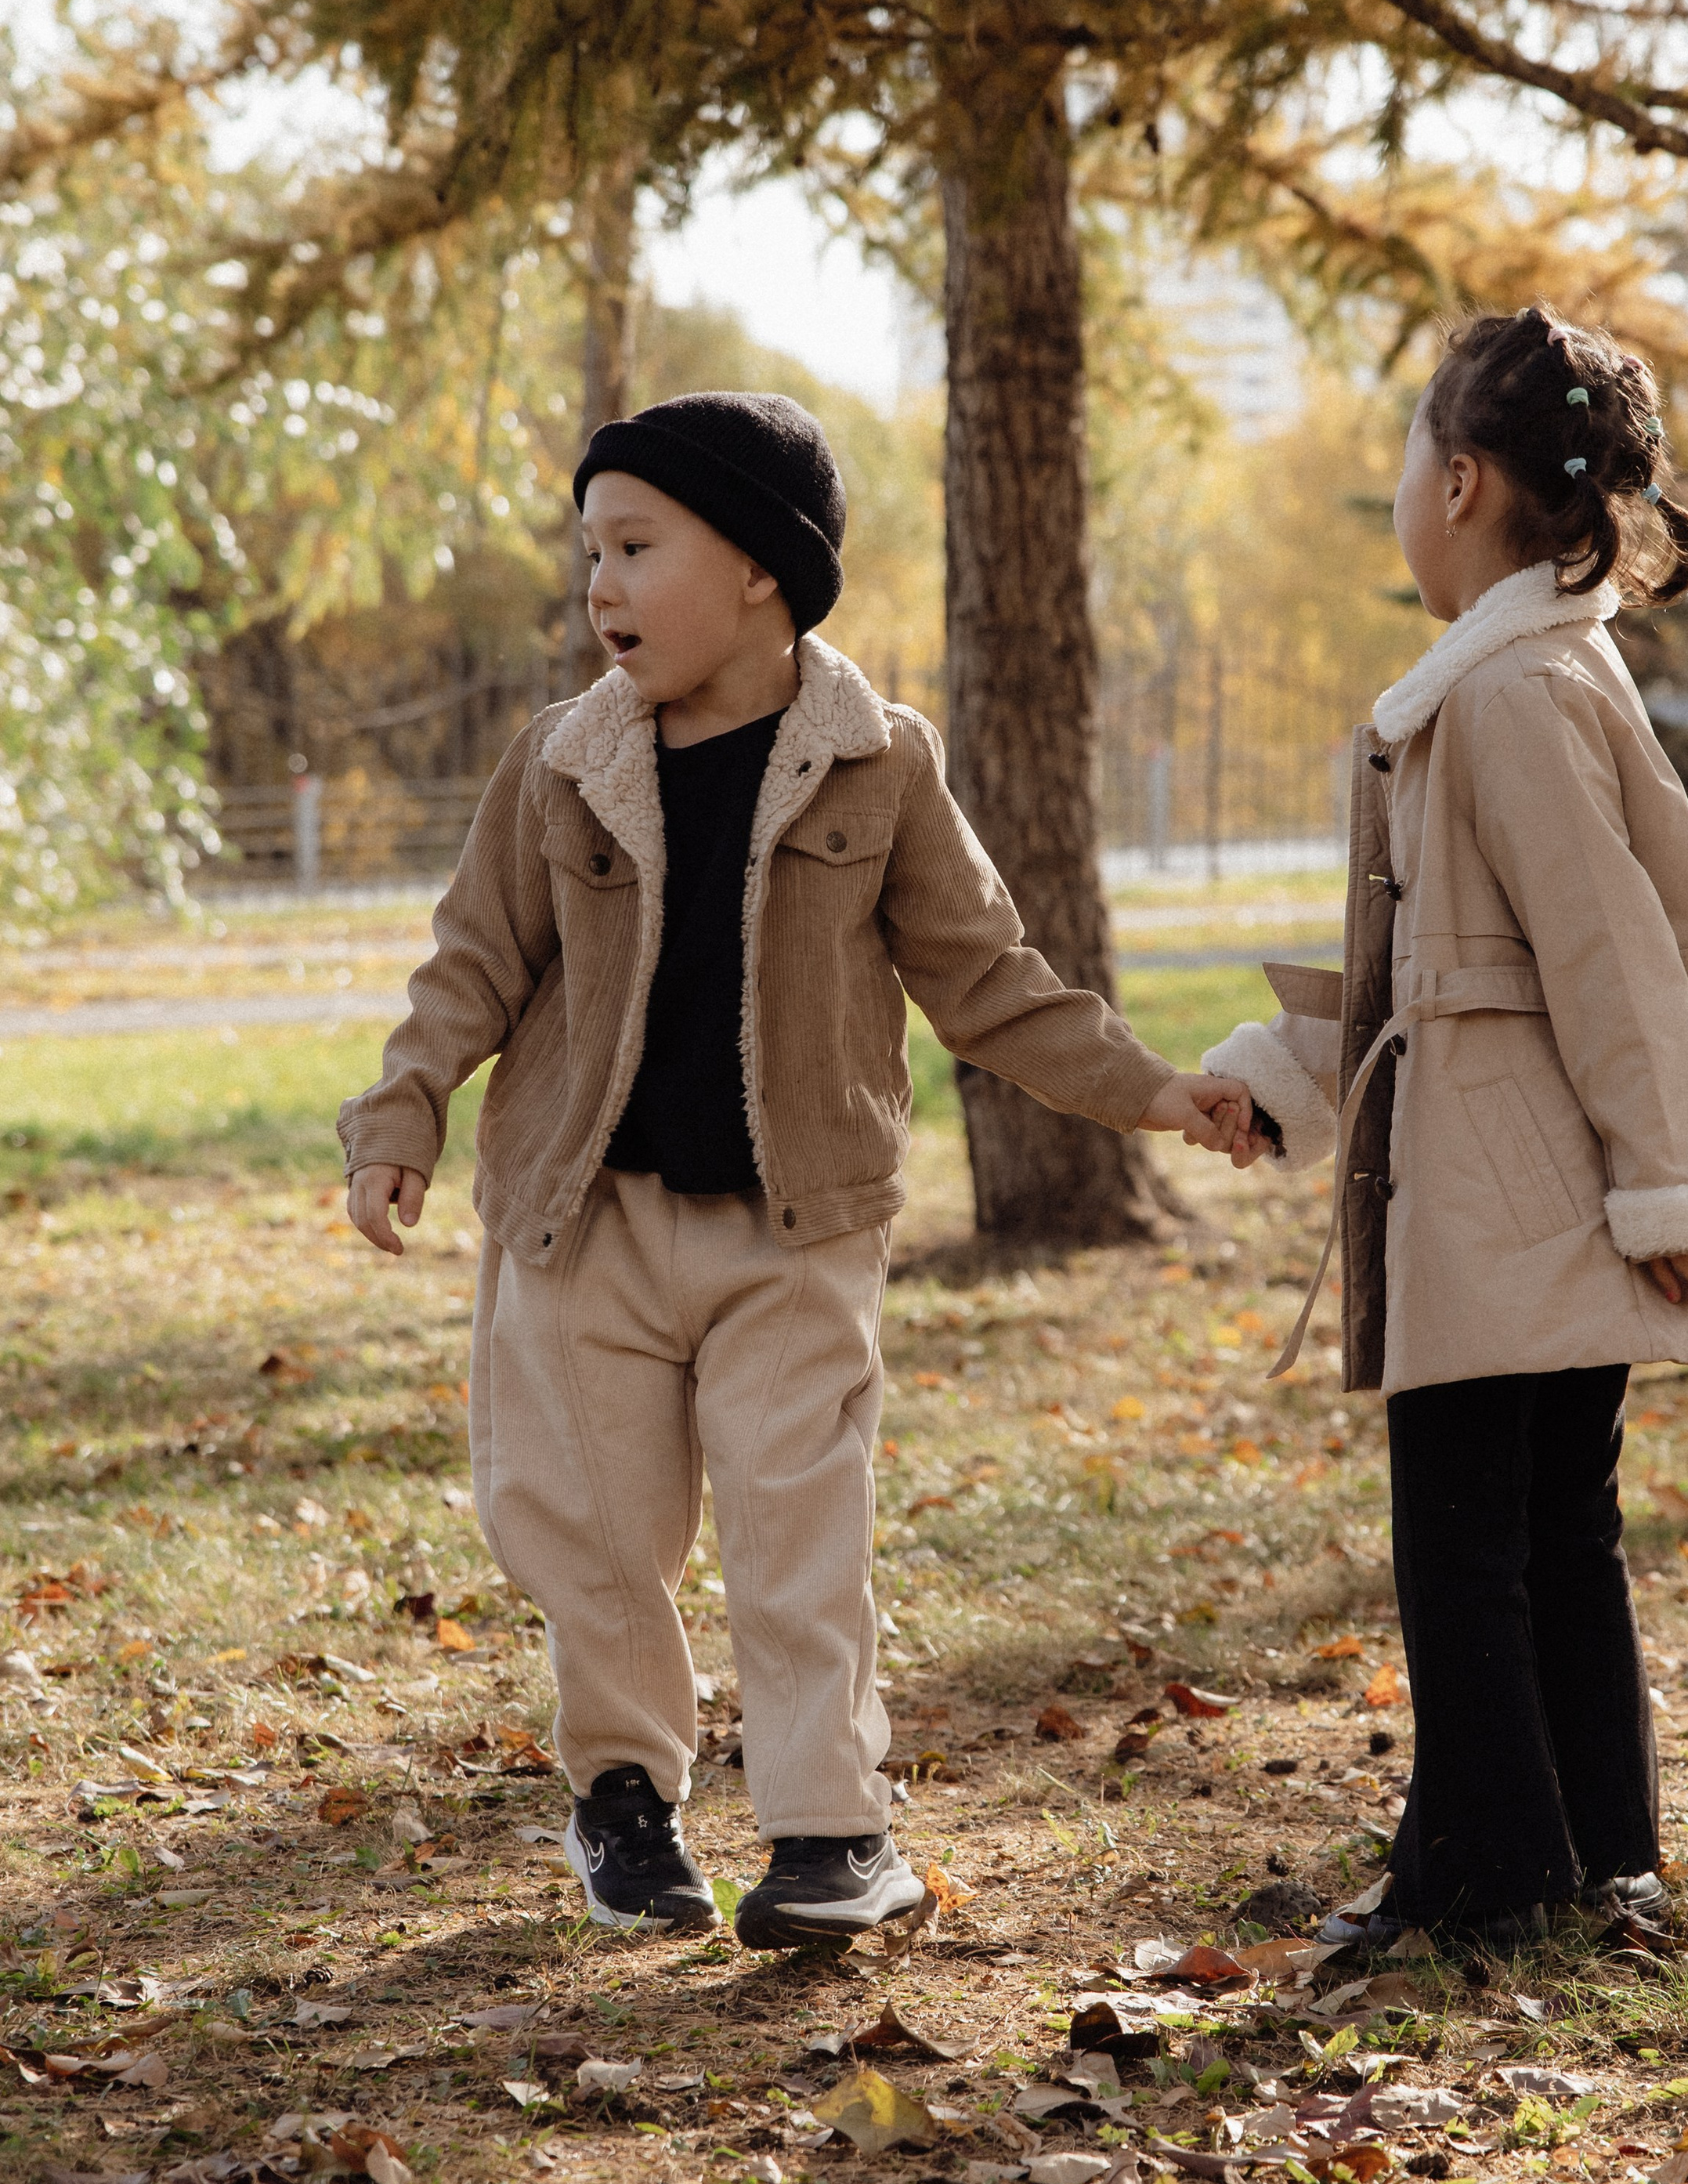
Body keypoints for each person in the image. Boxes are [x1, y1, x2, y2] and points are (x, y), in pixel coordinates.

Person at [340, 389, 1252, 1948]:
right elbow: (471, 964)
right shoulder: (557, 762)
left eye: (634, 548)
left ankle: (830, 1830)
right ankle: (623, 1798)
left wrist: (1155, 1093)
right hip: (588, 1222)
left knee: (793, 1523)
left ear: (757, 566)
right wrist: (401, 1114)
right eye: (591, 556)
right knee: (596, 1527)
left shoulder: (877, 764)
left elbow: (989, 980)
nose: (600, 588)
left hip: (795, 1226)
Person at [1203, 306, 1688, 1951]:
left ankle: (1488, 1866)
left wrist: (1676, 1189)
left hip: (1507, 1195)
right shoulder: (1516, 678)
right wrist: (1281, 1075)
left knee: (1464, 1539)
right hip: (1521, 1171)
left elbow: (1609, 957)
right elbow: (1439, 963)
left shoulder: (1505, 695)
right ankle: (1579, 1839)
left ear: (1463, 481)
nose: (1404, 490)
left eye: (1409, 460)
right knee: (1552, 1521)